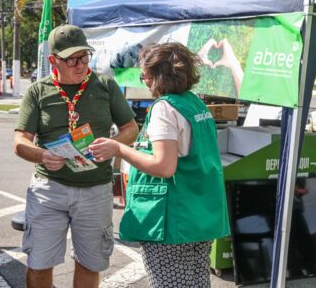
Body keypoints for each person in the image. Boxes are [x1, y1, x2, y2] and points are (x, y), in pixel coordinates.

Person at [89, 42, 230, 287]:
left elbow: (164, 166)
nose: (143, 80)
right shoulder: (194, 103)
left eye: (145, 75)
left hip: (172, 221)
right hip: (198, 216)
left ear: (158, 77)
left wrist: (119, 148)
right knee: (197, 282)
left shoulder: (165, 109)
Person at [13, 24, 138, 288]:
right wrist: (42, 155)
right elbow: (20, 141)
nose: (80, 64)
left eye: (84, 56)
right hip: (49, 190)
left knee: (89, 263)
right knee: (38, 263)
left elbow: (131, 129)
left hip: (95, 191)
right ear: (53, 60)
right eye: (71, 59)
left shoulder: (105, 86)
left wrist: (113, 145)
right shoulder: (38, 91)